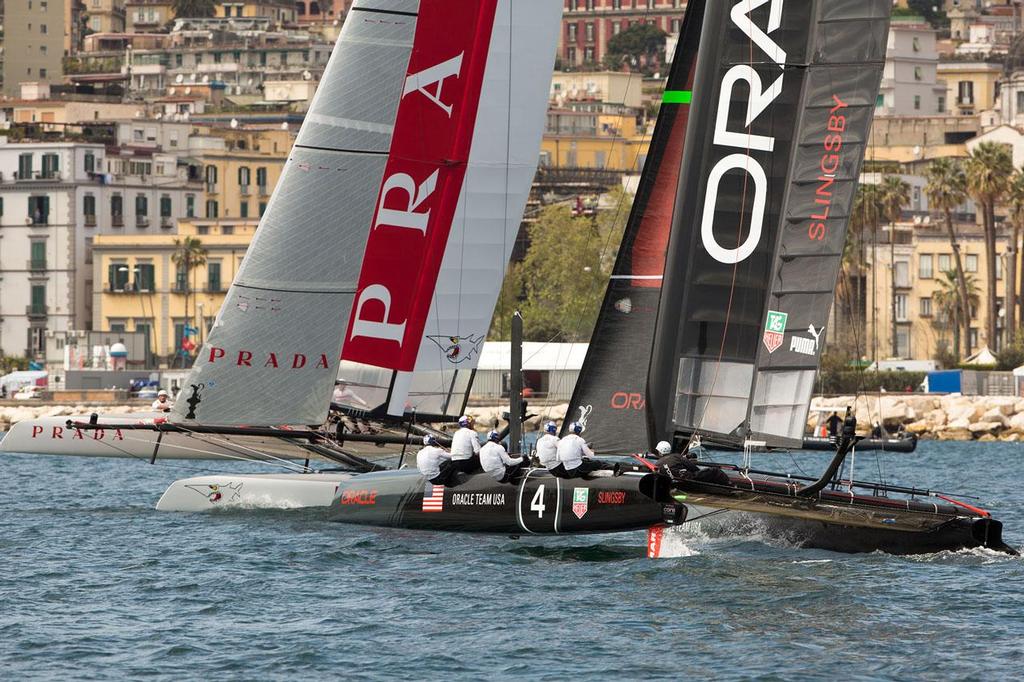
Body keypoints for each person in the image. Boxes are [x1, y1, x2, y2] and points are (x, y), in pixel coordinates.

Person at [551, 422, 616, 478]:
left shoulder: (562, 440)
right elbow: (591, 456)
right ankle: (615, 469)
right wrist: (591, 451)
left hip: (568, 471)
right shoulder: (580, 440)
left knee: (586, 461)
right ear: (579, 430)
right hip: (578, 470)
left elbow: (558, 458)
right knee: (597, 463)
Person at [655, 438, 731, 486]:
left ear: (659, 452)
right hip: (689, 480)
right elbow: (692, 467)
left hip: (674, 484)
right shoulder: (676, 456)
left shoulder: (657, 464)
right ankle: (732, 486)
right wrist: (699, 472)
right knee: (715, 471)